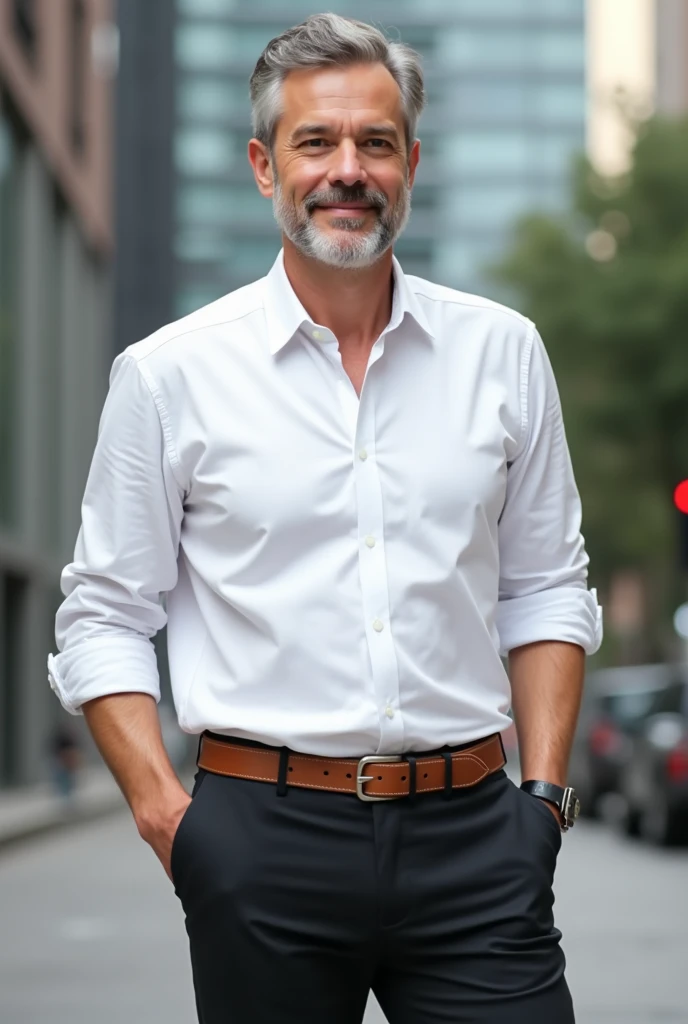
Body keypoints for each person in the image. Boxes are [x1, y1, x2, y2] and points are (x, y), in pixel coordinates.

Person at [47, 14, 603, 1023]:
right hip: (261, 841)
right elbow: (103, 614)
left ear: (412, 163)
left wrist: (544, 802)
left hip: (479, 839)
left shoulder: (503, 352)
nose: (347, 169)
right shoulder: (170, 375)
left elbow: (546, 587)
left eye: (375, 143)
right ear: (264, 166)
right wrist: (170, 816)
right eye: (316, 142)